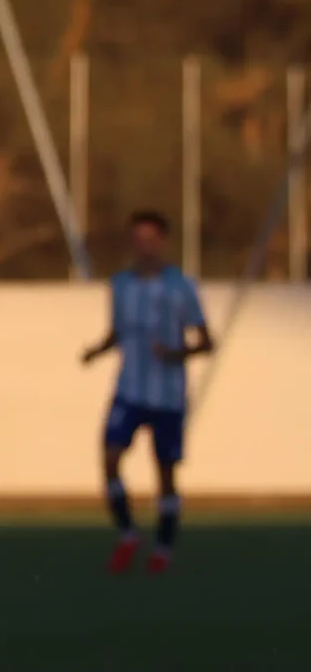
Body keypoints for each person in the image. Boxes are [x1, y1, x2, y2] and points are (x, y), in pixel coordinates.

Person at [80, 208, 212, 573]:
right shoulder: (120, 285)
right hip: (129, 390)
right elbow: (117, 332)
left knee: (165, 472)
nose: (144, 247)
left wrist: (175, 353)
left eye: (151, 239)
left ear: (163, 242)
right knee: (109, 458)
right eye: (138, 239)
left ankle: (164, 548)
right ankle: (127, 533)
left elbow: (206, 342)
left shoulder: (180, 287)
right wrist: (96, 350)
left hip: (168, 394)